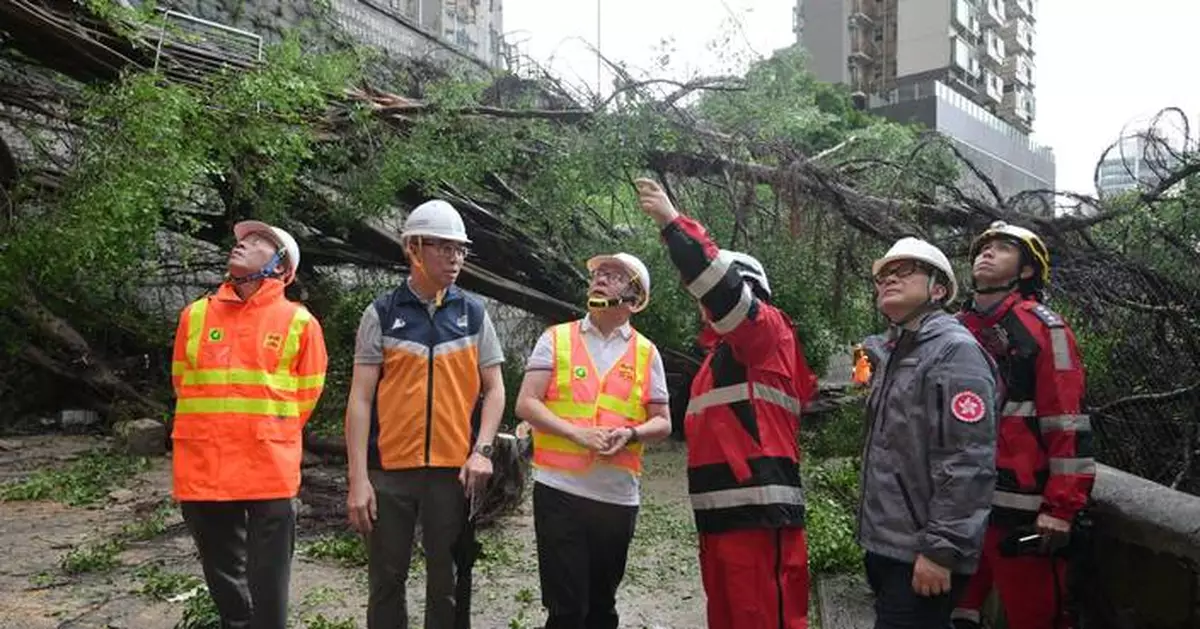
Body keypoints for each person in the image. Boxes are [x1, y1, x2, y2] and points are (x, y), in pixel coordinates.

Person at [633, 178, 818, 629]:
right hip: (722, 520)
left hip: (759, 520)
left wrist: (673, 224)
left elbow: (723, 292)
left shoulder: (766, 334)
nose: (702, 303)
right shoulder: (716, 362)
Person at [343, 199, 507, 629]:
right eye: (443, 247)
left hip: (453, 473)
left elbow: (495, 390)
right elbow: (360, 400)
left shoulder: (473, 313)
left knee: (448, 581)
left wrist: (482, 450)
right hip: (390, 471)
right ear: (413, 248)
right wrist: (358, 479)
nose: (455, 258)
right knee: (386, 580)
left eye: (460, 250)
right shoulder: (381, 313)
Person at [171, 220, 328, 629]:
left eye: (258, 242)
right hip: (204, 466)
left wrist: (264, 432)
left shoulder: (299, 323)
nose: (242, 244)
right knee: (224, 580)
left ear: (280, 267)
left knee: (269, 581)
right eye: (242, 239)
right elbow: (183, 383)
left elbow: (306, 396)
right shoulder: (196, 315)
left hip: (268, 468)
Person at [514, 251, 672, 629]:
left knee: (602, 609)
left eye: (615, 275)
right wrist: (576, 434)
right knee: (566, 611)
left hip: (617, 497)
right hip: (559, 492)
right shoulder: (556, 338)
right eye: (599, 273)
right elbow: (526, 402)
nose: (601, 277)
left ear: (634, 299)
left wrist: (631, 434)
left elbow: (663, 422)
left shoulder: (647, 353)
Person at [952, 222, 1094, 629]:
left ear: (1027, 270)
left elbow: (1067, 421)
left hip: (1024, 509)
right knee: (953, 612)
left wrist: (1061, 509)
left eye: (1002, 248)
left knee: (1035, 616)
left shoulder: (1046, 329)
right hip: (959, 504)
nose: (987, 253)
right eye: (982, 247)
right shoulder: (953, 328)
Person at [857, 236, 998, 629]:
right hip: (886, 545)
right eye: (884, 274)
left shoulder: (956, 352)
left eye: (905, 271)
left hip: (924, 550)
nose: (889, 279)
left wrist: (942, 549)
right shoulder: (891, 353)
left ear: (938, 289)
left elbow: (969, 461)